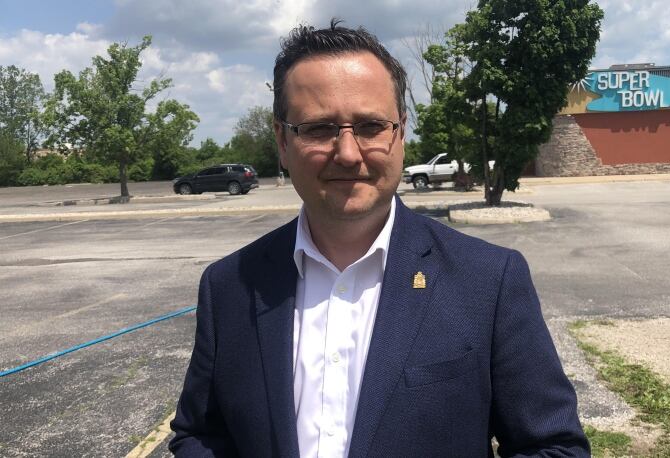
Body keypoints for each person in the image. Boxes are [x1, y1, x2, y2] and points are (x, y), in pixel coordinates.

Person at [169, 20, 589, 458]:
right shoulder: (229, 286)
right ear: (282, 141)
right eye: (318, 129)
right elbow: (199, 435)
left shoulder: (489, 281)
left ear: (401, 133)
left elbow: (555, 447)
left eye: (370, 126)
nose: (348, 154)